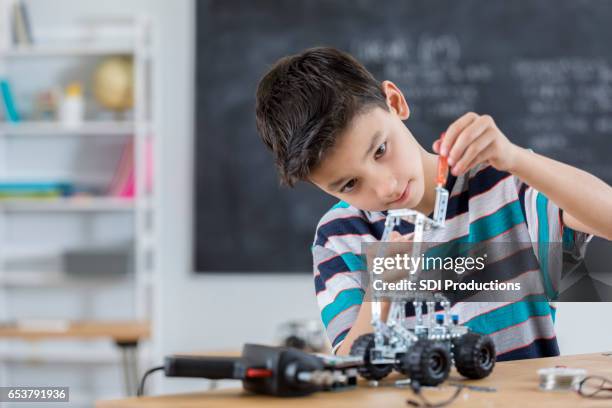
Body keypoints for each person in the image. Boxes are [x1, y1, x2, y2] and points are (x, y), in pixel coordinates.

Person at [255, 47, 612, 359]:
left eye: (381, 150)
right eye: (349, 184)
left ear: (395, 102)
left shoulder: (503, 185)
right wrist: (382, 291)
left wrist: (517, 159)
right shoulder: (340, 236)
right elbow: (351, 369)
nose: (386, 187)